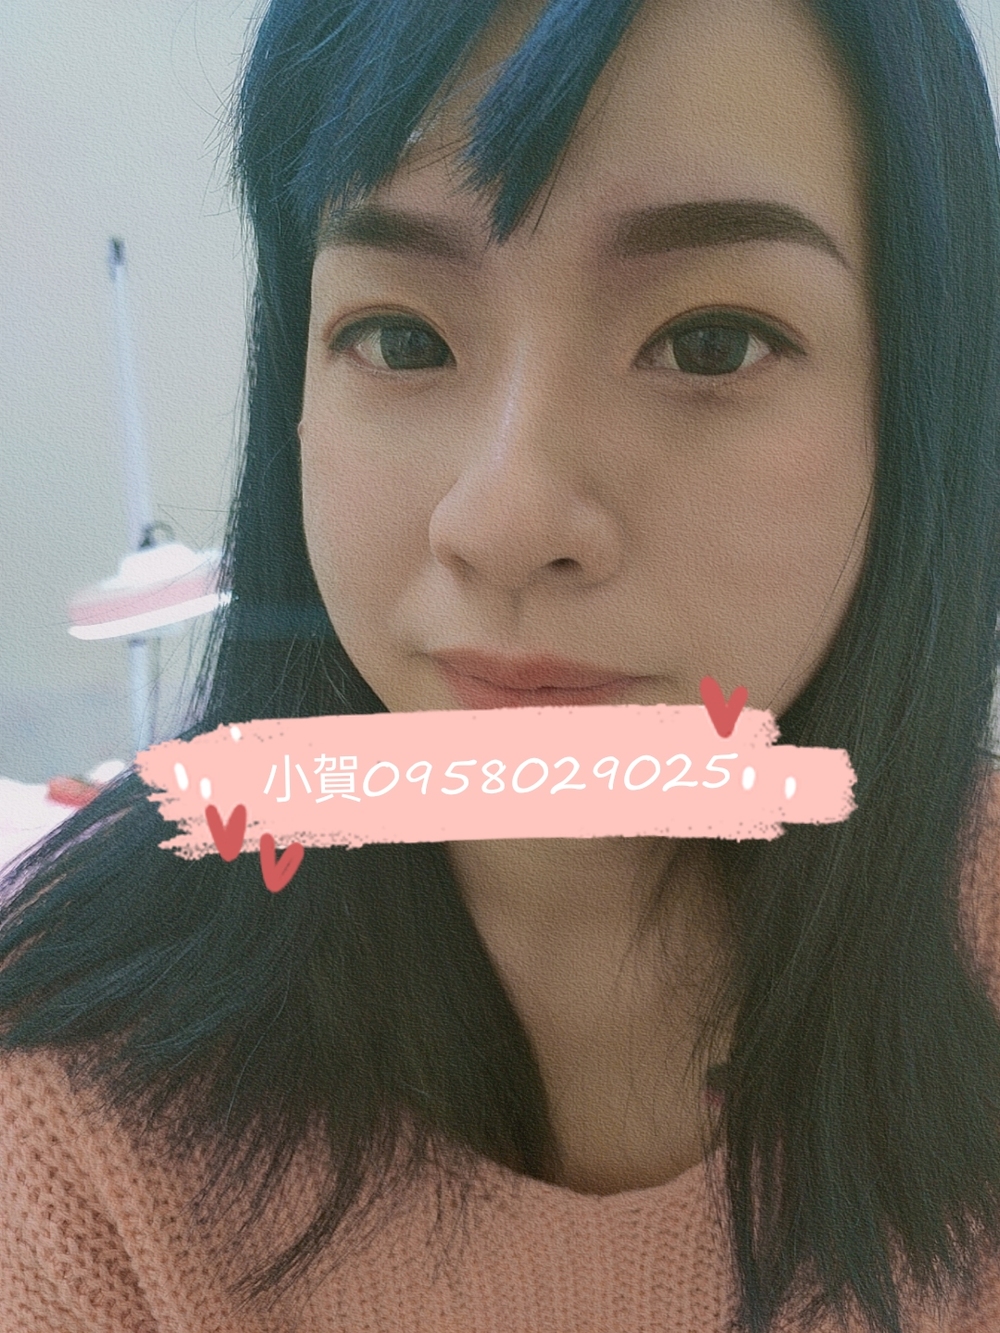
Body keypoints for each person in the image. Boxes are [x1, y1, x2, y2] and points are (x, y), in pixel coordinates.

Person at [2, 0, 1000, 1328]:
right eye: (402, 338)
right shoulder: (71, 1078)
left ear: (914, 401)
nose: (507, 518)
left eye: (711, 340)